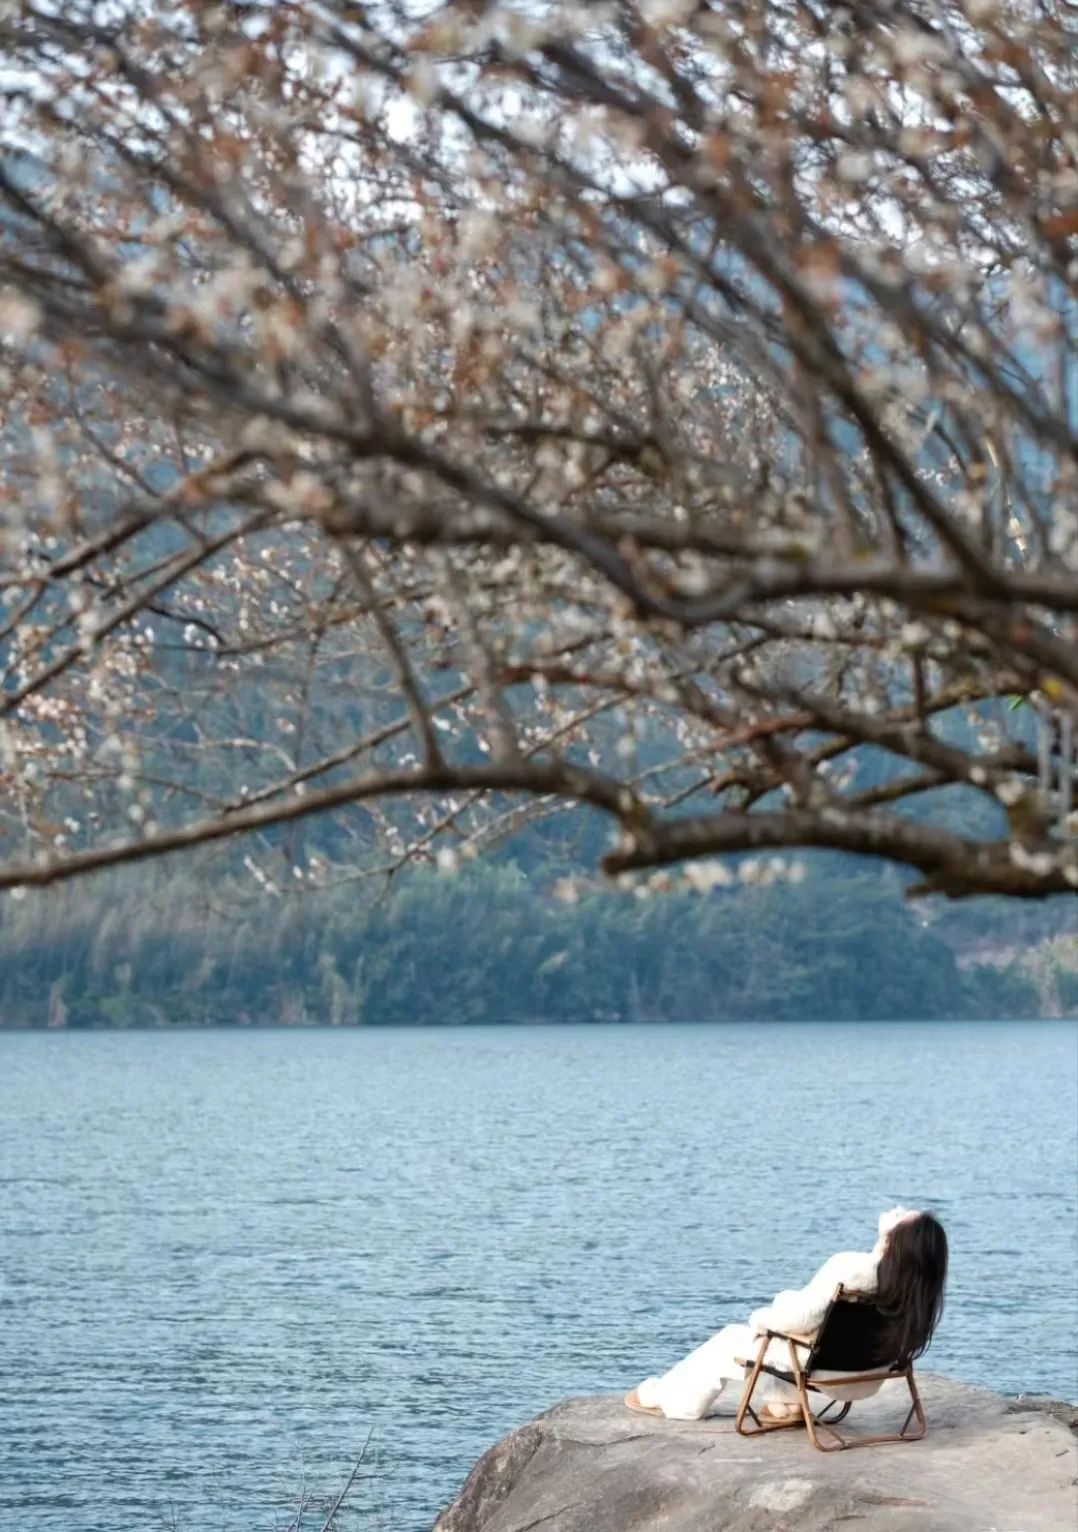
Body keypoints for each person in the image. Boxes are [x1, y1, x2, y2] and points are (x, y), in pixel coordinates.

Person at [625, 1206, 948, 1421]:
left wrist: (765, 1316)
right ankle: (785, 1405)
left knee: (734, 1338)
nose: (897, 1209)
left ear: (896, 1239)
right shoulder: (915, 1290)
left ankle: (674, 1402)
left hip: (827, 1377)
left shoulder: (851, 1269)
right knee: (795, 1338)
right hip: (867, 1379)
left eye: (903, 1215)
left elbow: (798, 1319)